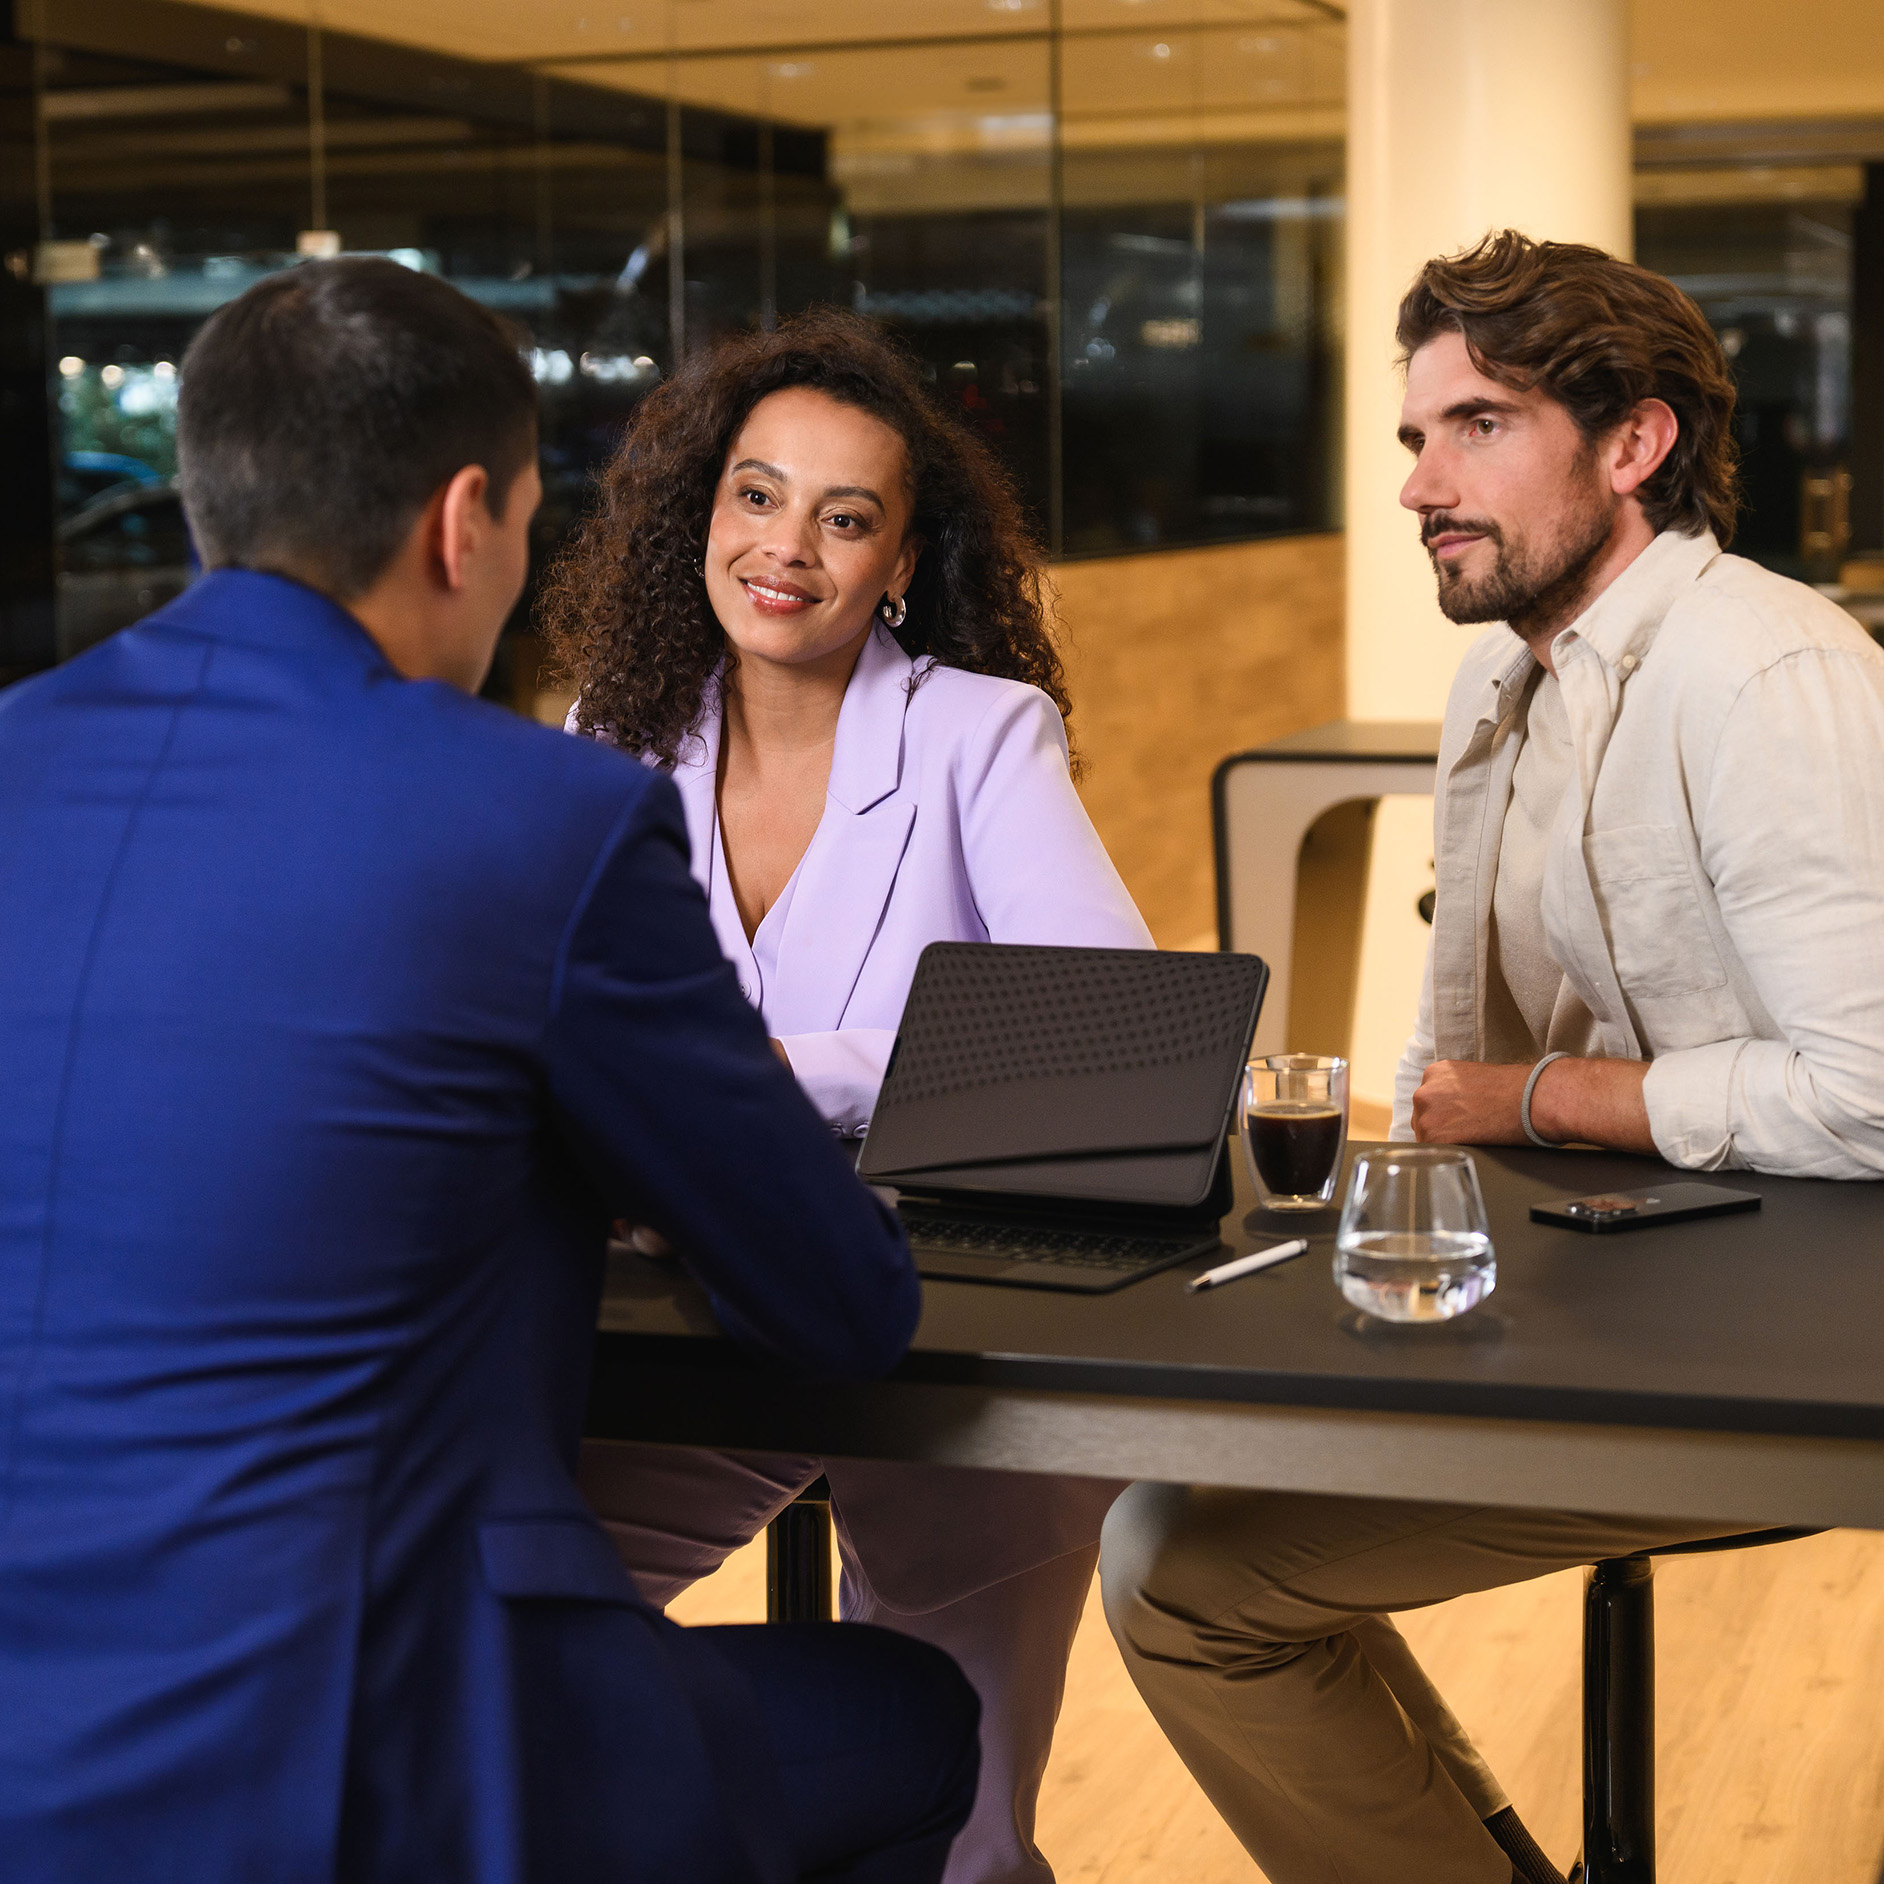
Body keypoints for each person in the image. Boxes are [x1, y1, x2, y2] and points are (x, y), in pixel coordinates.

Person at [0, 258, 981, 1884]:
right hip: (355, 1751)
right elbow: (841, 1305)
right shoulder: (543, 819)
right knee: (903, 1719)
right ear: (467, 523)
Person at [1099, 230, 1884, 1884]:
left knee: (1184, 1582)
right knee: (1180, 1519)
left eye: (1476, 426)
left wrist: (1547, 1102)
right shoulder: (1496, 684)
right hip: (1609, 1298)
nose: (1418, 484)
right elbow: (1449, 1047)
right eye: (1412, 436)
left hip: (1797, 1363)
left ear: (1634, 443)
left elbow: (1872, 1092)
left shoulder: (1771, 671)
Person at [543, 307, 1152, 1884]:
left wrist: (757, 1084)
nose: (786, 549)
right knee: (513, 1644)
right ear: (702, 515)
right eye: (755, 496)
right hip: (680, 1328)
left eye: (844, 516)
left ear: (901, 558)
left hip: (949, 1337)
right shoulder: (610, 739)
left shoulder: (976, 734)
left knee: (969, 1826)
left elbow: (1110, 1034)